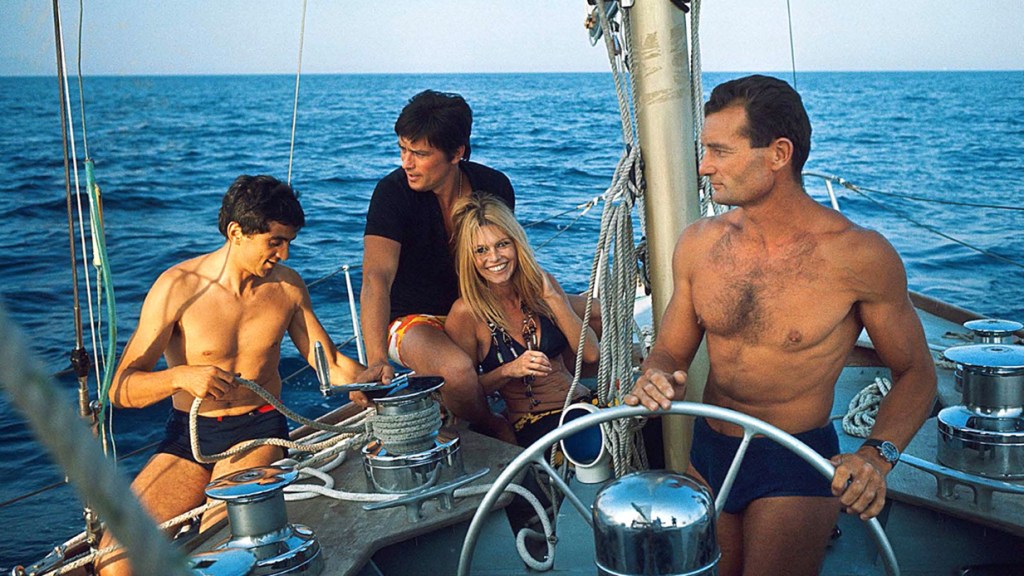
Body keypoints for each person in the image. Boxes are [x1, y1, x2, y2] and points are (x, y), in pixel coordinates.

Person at [624, 75, 936, 576]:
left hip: (793, 460)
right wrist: (656, 374)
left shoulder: (859, 256)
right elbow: (669, 351)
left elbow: (917, 372)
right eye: (705, 150)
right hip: (709, 450)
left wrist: (876, 457)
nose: (704, 166)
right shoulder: (699, 244)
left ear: (779, 153)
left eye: (720, 151)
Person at [97, 175, 363, 575]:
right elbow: (120, 389)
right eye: (275, 242)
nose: (285, 254)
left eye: (289, 242)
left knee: (220, 543)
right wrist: (181, 376)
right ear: (237, 232)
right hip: (188, 437)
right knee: (115, 563)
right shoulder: (177, 288)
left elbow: (331, 363)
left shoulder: (287, 288)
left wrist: (371, 379)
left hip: (258, 432)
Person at [357, 89, 516, 443]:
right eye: (402, 149)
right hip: (414, 322)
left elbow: (504, 259)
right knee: (456, 372)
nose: (406, 163)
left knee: (596, 317)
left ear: (456, 153)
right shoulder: (391, 194)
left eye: (419, 154)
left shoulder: (494, 186)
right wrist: (376, 359)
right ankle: (492, 425)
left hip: (478, 309)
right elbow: (376, 278)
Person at [445, 193, 600, 447]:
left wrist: (553, 298)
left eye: (502, 244)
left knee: (652, 427)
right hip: (537, 423)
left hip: (583, 405)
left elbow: (591, 354)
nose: (494, 258)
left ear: (517, 244)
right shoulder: (466, 313)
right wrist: (509, 370)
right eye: (481, 250)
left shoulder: (542, 286)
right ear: (469, 258)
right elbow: (465, 392)